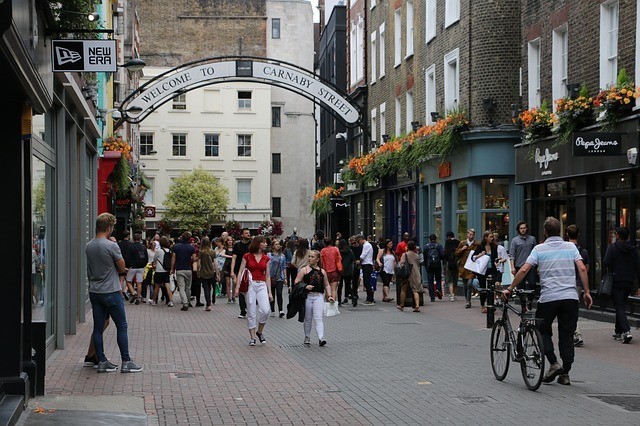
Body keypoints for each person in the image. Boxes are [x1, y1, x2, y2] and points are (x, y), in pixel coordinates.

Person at [503, 216, 592, 386]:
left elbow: (524, 270)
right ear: (560, 231)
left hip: (549, 297)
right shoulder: (571, 247)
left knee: (542, 330)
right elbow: (581, 267)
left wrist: (510, 288)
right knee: (567, 333)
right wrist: (587, 292)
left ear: (545, 231)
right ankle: (565, 373)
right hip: (569, 297)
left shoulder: (539, 249)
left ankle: (553, 362)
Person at [85, 213, 142, 373]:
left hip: (95, 291)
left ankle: (101, 361)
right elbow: (121, 267)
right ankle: (126, 361)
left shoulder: (89, 245)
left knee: (97, 327)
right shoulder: (111, 246)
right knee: (121, 326)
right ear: (109, 228)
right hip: (111, 291)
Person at [603, 226, 640, 344]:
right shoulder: (633, 250)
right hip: (629, 282)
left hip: (616, 280)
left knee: (619, 306)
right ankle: (618, 331)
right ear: (628, 236)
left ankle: (626, 331)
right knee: (621, 304)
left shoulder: (612, 248)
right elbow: (638, 267)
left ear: (618, 236)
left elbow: (606, 262)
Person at [235, 235, 273, 346]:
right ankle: (252, 337)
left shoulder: (266, 258)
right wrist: (237, 288)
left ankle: (259, 331)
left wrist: (269, 291)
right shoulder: (247, 256)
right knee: (251, 310)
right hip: (250, 284)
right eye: (264, 242)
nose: (266, 244)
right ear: (258, 243)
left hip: (261, 284)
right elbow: (241, 271)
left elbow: (268, 276)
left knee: (266, 310)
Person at [295, 250, 334, 346]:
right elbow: (296, 282)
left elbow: (327, 284)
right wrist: (305, 287)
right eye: (309, 256)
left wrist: (329, 296)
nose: (309, 258)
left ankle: (321, 338)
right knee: (308, 318)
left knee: (318, 318)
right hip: (308, 296)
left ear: (317, 259)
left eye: (312, 257)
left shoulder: (322, 272)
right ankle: (307, 336)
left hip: (318, 296)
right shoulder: (304, 270)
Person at [565, 225, 589, 347]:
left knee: (570, 310)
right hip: (579, 283)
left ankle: (576, 333)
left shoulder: (565, 250)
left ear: (567, 235)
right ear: (578, 234)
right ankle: (575, 333)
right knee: (573, 308)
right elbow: (586, 269)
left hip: (567, 283)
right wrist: (587, 290)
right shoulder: (583, 252)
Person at [472, 231, 499, 313]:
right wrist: (481, 254)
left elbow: (495, 258)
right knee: (483, 288)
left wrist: (498, 260)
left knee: (491, 288)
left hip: (492, 270)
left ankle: (490, 304)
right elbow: (473, 258)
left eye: (492, 237)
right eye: (490, 237)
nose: (492, 238)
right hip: (483, 271)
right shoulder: (480, 246)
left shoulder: (494, 246)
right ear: (486, 237)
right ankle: (483, 305)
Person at [509, 221, 537, 292]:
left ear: (526, 228)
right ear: (518, 229)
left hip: (531, 265)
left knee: (532, 283)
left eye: (524, 228)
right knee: (520, 285)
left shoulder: (532, 239)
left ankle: (530, 300)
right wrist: (512, 267)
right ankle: (522, 301)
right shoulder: (515, 240)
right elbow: (512, 255)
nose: (523, 230)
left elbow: (536, 252)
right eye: (521, 228)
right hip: (520, 265)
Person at [171, 233, 196, 311]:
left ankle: (185, 303)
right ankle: (188, 301)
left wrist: (172, 268)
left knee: (181, 287)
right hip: (188, 269)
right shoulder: (191, 248)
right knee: (188, 287)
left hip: (179, 269)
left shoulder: (176, 247)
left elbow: (173, 258)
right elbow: (194, 259)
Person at [456, 229, 480, 308]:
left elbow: (480, 252)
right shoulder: (462, 243)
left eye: (472, 234)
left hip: (472, 267)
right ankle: (467, 299)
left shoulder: (477, 244)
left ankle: (468, 301)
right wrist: (462, 249)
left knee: (470, 284)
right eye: (470, 234)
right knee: (465, 285)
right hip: (463, 266)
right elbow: (456, 253)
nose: (471, 236)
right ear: (467, 234)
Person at [231, 228, 252, 318]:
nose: (248, 234)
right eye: (246, 233)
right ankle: (242, 310)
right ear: (242, 235)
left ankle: (249, 308)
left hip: (250, 270)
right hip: (239, 270)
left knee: (250, 290)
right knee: (240, 290)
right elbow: (234, 258)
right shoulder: (237, 245)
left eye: (249, 233)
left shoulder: (252, 245)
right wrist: (232, 271)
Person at [396, 240, 422, 312]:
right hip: (415, 273)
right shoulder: (417, 255)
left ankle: (402, 305)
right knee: (416, 290)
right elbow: (419, 263)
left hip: (406, 273)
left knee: (403, 289)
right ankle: (417, 306)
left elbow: (401, 263)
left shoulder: (405, 255)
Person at [124, 233, 148, 305]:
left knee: (128, 281)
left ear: (133, 239)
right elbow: (146, 257)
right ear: (140, 239)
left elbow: (127, 257)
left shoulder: (131, 246)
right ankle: (138, 298)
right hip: (141, 267)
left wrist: (128, 265)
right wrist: (144, 265)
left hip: (133, 267)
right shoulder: (143, 247)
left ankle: (133, 293)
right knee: (139, 283)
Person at [152, 236, 174, 307]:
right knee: (167, 286)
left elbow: (154, 259)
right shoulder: (170, 251)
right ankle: (170, 301)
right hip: (166, 271)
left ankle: (154, 301)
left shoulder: (159, 251)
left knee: (157, 286)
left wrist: (154, 264)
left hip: (159, 271)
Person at [268, 240, 287, 317]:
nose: (278, 245)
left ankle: (281, 310)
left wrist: (285, 277)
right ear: (272, 246)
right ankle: (272, 310)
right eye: (276, 244)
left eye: (278, 244)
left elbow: (284, 267)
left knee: (279, 293)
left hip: (280, 277)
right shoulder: (269, 255)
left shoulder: (282, 256)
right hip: (271, 277)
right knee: (271, 294)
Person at [197, 237, 217, 311]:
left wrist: (198, 271)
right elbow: (215, 264)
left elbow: (199, 263)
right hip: (211, 272)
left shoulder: (201, 252)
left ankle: (208, 304)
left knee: (205, 289)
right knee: (210, 288)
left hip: (203, 273)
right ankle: (210, 301)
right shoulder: (213, 252)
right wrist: (217, 273)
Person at [320, 237, 342, 301]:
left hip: (326, 271)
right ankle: (333, 305)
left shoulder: (323, 250)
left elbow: (321, 262)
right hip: (335, 271)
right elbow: (339, 258)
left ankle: (327, 303)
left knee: (327, 288)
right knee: (333, 289)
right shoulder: (336, 249)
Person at [424, 234, 445, 302]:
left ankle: (432, 297)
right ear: (436, 239)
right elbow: (442, 255)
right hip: (437, 265)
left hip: (429, 265)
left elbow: (425, 257)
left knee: (430, 280)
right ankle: (438, 291)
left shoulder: (426, 247)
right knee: (438, 279)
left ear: (429, 239)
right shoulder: (439, 246)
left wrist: (426, 265)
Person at [443, 231, 460, 302]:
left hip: (448, 263)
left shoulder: (447, 242)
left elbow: (445, 253)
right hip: (456, 263)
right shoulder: (458, 242)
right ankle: (454, 293)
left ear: (448, 236)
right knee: (455, 278)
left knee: (450, 279)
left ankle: (451, 295)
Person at [358, 234, 375, 304]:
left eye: (359, 241)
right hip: (367, 264)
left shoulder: (366, 245)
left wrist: (359, 262)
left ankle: (370, 298)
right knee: (366, 282)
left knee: (367, 282)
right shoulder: (366, 245)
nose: (359, 243)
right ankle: (369, 297)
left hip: (367, 265)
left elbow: (363, 256)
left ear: (361, 239)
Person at [338, 239, 355, 305]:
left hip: (340, 270)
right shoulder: (349, 251)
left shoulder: (339, 251)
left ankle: (339, 301)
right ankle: (353, 296)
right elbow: (353, 259)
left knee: (340, 286)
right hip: (348, 270)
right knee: (348, 285)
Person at [117, 230, 132, 299]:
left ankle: (120, 292)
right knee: (129, 279)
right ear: (128, 236)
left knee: (121, 278)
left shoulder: (119, 244)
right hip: (129, 263)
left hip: (121, 262)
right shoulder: (131, 244)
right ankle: (125, 290)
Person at [349, 236, 363, 306]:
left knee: (356, 280)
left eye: (354, 242)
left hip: (357, 265)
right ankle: (353, 293)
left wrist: (360, 262)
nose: (353, 244)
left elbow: (362, 255)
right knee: (350, 280)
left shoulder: (361, 247)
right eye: (351, 243)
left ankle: (355, 293)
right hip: (351, 265)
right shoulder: (350, 248)